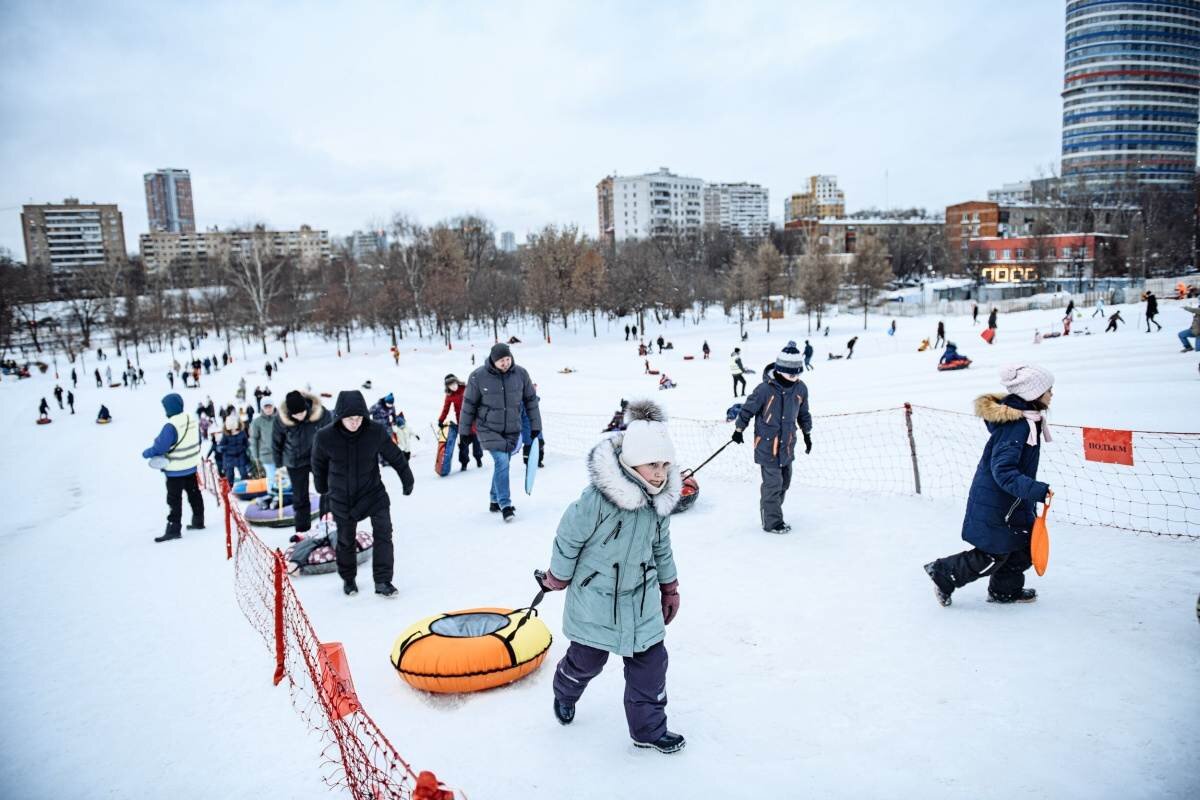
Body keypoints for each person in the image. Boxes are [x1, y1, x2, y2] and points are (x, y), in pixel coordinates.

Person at [539, 399, 686, 754]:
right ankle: (565, 689)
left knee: (651, 666)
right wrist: (558, 576)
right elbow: (568, 537)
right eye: (653, 464)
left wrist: (669, 587)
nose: (660, 472)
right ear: (632, 460)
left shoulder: (658, 503)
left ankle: (648, 731)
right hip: (596, 600)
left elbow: (661, 548)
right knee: (587, 660)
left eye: (665, 464)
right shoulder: (597, 499)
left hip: (641, 601)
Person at [924, 365, 1054, 606]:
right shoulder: (1018, 425)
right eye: (1048, 390)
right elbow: (1003, 470)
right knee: (992, 554)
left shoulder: (1028, 420)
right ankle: (943, 573)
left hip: (1012, 502)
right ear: (1033, 394)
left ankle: (1004, 591)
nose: (1051, 395)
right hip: (998, 503)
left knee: (1021, 548)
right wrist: (1035, 490)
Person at [312, 390, 414, 598]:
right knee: (346, 539)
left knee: (384, 533)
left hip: (372, 493)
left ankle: (383, 581)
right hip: (342, 497)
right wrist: (321, 486)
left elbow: (394, 455)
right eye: (350, 418)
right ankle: (349, 579)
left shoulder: (374, 431)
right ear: (340, 416)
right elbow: (318, 463)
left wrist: (407, 478)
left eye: (359, 418)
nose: (355, 423)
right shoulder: (325, 437)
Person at [731, 342, 812, 534]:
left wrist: (807, 434)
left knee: (785, 483)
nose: (795, 377)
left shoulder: (800, 389)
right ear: (781, 369)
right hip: (767, 447)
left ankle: (770, 509)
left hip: (787, 446)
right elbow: (747, 409)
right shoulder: (764, 390)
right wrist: (739, 429)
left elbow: (804, 413)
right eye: (791, 373)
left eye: (798, 373)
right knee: (772, 485)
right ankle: (772, 522)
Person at [459, 342, 541, 523]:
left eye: (507, 359)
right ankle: (506, 504)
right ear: (493, 361)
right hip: (488, 429)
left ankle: (494, 500)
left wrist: (536, 427)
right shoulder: (478, 377)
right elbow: (468, 405)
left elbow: (531, 401)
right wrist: (464, 432)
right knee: (502, 462)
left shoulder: (521, 374)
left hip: (512, 430)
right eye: (501, 361)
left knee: (502, 465)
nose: (505, 363)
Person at [141, 393, 204, 543]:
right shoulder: (192, 419)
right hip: (191, 466)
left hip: (175, 470)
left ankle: (173, 529)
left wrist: (146, 453)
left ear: (169, 407)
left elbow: (160, 447)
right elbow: (199, 439)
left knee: (174, 499)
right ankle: (199, 520)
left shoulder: (171, 425)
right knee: (194, 493)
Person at [272, 390, 332, 534]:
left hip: (318, 458)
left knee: (328, 490)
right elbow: (276, 442)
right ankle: (302, 530)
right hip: (295, 461)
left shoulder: (321, 414)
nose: (299, 416)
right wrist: (278, 464)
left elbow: (332, 435)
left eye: (302, 412)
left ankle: (328, 524)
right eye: (295, 414)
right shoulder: (281, 419)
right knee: (300, 496)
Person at [438, 373, 483, 470]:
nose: (453, 386)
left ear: (457, 382)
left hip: (473, 419)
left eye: (454, 383)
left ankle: (478, 459)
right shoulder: (449, 396)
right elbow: (445, 409)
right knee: (463, 444)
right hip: (462, 422)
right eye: (450, 385)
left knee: (476, 442)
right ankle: (464, 463)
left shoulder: (467, 389)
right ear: (447, 386)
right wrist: (441, 420)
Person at [249, 399, 277, 482]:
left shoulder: (279, 420)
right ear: (262, 408)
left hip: (280, 454)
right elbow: (254, 439)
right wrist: (255, 456)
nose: (268, 409)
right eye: (266, 407)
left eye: (270, 407)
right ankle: (272, 493)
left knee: (283, 478)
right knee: (271, 477)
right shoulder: (257, 422)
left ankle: (285, 494)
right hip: (266, 455)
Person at [221, 416, 252, 481]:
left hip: (240, 455)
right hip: (229, 457)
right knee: (230, 475)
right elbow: (222, 445)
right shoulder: (226, 435)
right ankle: (230, 487)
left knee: (244, 473)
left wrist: (245, 447)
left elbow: (246, 443)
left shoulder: (242, 433)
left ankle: (245, 485)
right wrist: (222, 448)